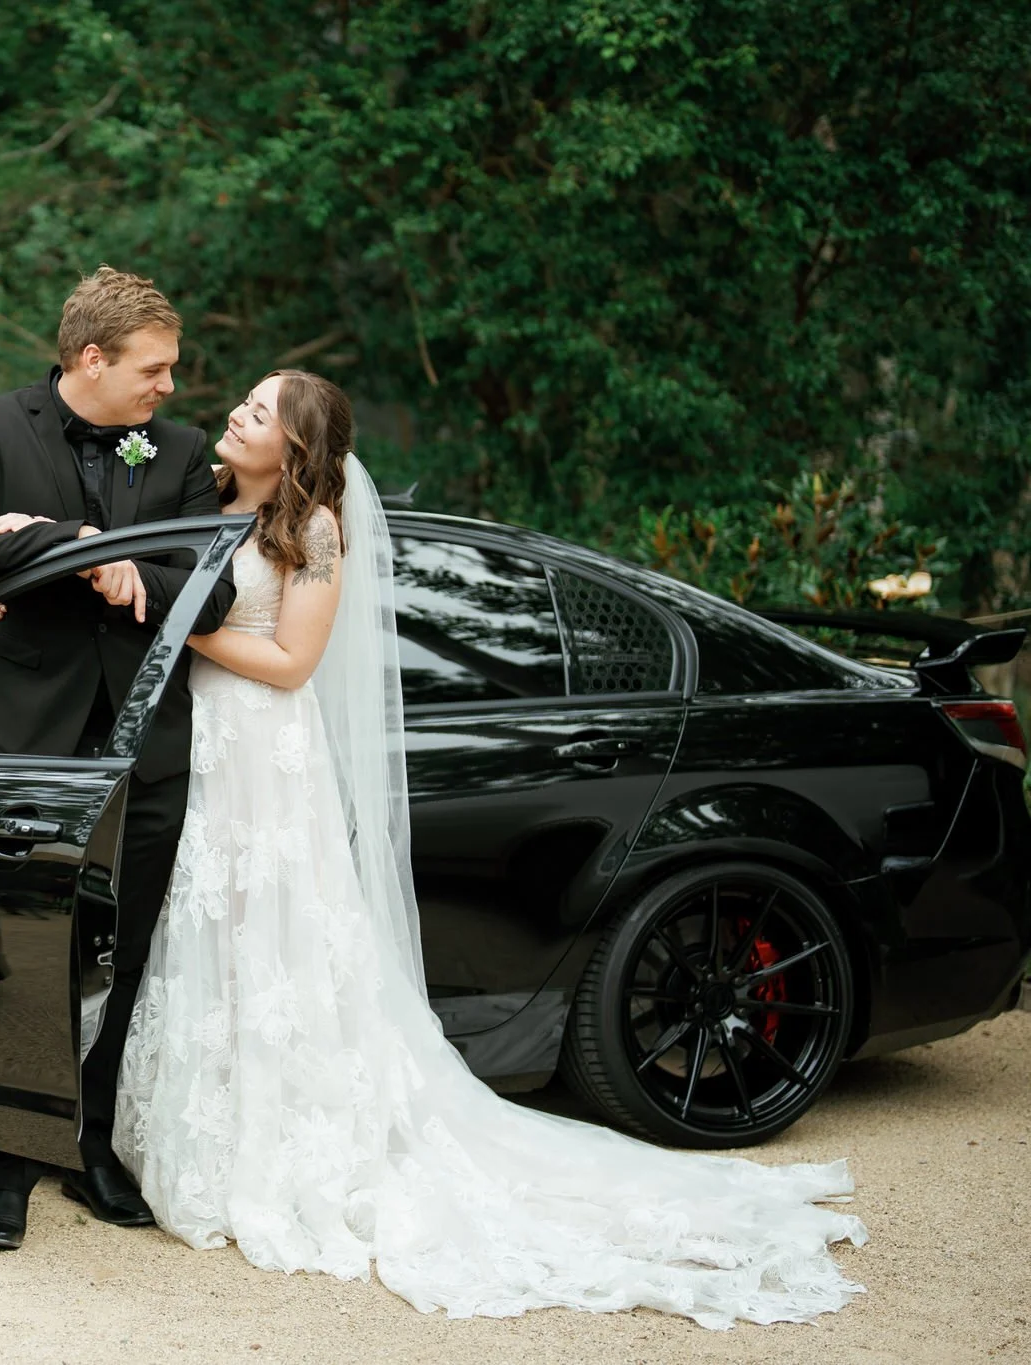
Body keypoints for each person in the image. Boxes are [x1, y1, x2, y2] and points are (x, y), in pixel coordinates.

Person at [99, 368, 867, 1327]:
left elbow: (295, 663)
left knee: (272, 940)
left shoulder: (321, 532)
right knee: (205, 936)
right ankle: (201, 1128)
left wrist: (179, 629)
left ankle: (281, 1151)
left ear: (293, 447)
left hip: (262, 754)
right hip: (198, 752)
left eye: (256, 409)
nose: (232, 413)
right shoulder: (198, 496)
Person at [0, 265, 237, 1251]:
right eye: (154, 369)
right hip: (25, 739)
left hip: (148, 745)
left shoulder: (180, 452)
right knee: (20, 953)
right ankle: (4, 1164)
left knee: (129, 954)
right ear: (90, 360)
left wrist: (123, 573)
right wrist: (69, 541)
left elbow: (212, 595)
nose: (169, 389)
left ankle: (89, 1145)